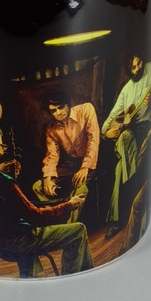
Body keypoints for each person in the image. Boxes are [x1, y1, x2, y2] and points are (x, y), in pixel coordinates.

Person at [0, 120, 94, 278]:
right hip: (16, 242)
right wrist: (68, 205)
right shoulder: (2, 180)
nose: (2, 150)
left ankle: (31, 278)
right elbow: (35, 216)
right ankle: (73, 281)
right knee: (78, 231)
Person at [101, 54, 151, 238]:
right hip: (130, 132)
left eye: (139, 63)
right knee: (121, 151)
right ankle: (131, 190)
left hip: (145, 128)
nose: (137, 69)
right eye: (133, 67)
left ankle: (117, 219)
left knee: (123, 143)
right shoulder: (126, 89)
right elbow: (113, 115)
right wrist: (105, 132)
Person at [32, 91, 100, 223]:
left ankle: (70, 227)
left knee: (80, 188)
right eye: (53, 111)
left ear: (68, 104)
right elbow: (52, 156)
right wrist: (47, 178)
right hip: (71, 164)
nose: (58, 113)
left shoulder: (86, 109)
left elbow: (93, 140)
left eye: (61, 107)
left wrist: (85, 167)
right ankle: (55, 219)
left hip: (93, 159)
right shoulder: (51, 130)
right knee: (38, 186)